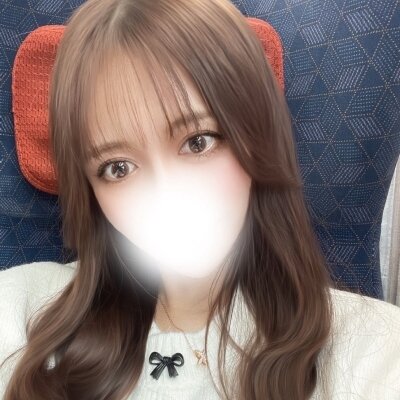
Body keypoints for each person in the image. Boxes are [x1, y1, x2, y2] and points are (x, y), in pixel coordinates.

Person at [1, 0, 400, 399]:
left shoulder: (372, 350)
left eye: (198, 142)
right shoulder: (19, 311)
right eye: (118, 168)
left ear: (256, 136)